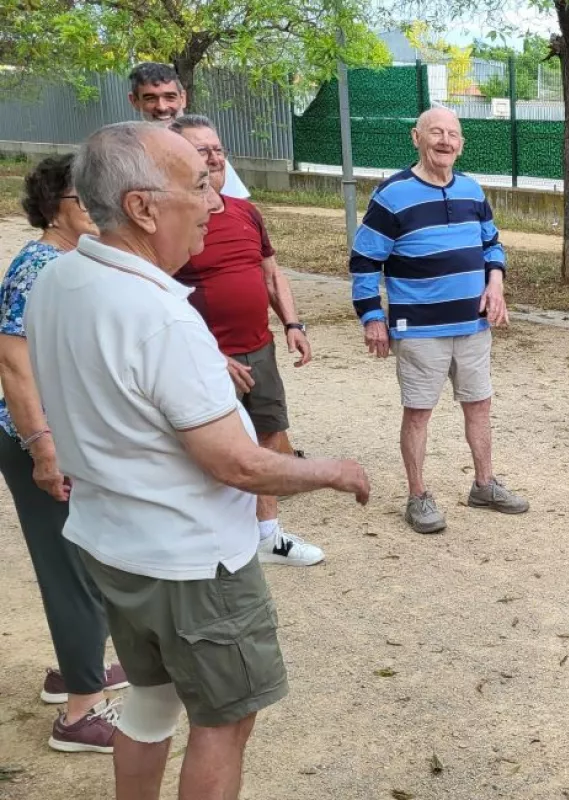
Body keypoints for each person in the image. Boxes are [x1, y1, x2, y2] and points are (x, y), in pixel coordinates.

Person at [26, 121, 369, 799]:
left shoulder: (60, 280)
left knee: (151, 704)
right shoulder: (160, 316)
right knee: (226, 719)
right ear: (142, 207)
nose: (215, 203)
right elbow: (237, 464)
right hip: (191, 564)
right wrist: (333, 469)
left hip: (115, 546)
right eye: (200, 186)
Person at [0, 154, 128, 753]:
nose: (96, 209)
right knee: (71, 567)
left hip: (64, 435)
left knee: (84, 558)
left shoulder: (73, 261)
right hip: (38, 439)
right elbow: (12, 362)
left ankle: (75, 669)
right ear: (55, 206)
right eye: (85, 199)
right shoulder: (39, 265)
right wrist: (42, 447)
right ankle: (80, 713)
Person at [349, 106, 527, 534]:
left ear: (461, 143)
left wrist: (496, 285)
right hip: (419, 330)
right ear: (416, 137)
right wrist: (372, 317)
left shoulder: (471, 190)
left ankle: (484, 485)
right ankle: (417, 496)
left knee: (479, 405)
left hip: (473, 324)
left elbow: (492, 246)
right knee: (418, 412)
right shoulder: (391, 195)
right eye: (436, 133)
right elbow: (363, 261)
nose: (446, 141)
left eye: (453, 134)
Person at [170, 114, 324, 567]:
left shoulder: (244, 211)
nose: (215, 157)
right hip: (206, 358)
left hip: (259, 348)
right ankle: (208, 539)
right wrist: (210, 355)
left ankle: (268, 536)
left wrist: (294, 325)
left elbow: (270, 275)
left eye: (217, 149)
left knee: (269, 435)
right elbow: (156, 296)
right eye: (202, 151)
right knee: (205, 448)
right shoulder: (173, 222)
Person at [128, 62, 249, 199]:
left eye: (170, 97)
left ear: (183, 98)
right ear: (134, 101)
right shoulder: (128, 159)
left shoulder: (210, 153)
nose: (162, 107)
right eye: (150, 98)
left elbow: (238, 207)